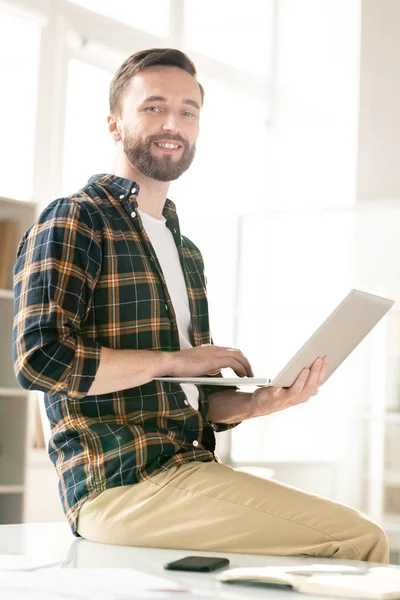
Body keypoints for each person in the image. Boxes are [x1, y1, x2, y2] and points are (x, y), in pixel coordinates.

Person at [13, 48, 388, 562]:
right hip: (120, 485)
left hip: (188, 468)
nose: (174, 123)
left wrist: (260, 402)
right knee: (360, 539)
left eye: (189, 111)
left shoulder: (185, 251)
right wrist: (175, 360)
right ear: (114, 124)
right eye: (153, 107)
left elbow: (191, 399)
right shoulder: (74, 219)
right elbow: (41, 361)